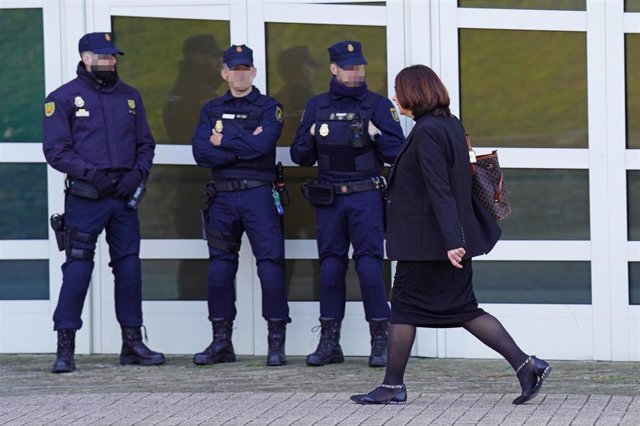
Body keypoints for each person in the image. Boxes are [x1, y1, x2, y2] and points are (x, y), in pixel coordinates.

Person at [350, 65, 551, 405]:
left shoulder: (428, 131)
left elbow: (440, 189)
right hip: (437, 241)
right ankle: (525, 365)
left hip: (430, 244)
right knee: (454, 310)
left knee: (413, 309)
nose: (395, 97)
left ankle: (393, 386)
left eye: (399, 91)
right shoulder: (449, 124)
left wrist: (452, 240)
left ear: (415, 93)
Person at [42, 32, 164, 373]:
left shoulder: (130, 97)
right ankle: (65, 346)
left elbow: (146, 144)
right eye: (103, 57)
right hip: (87, 198)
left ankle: (132, 343)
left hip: (123, 199)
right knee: (78, 269)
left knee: (129, 268)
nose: (110, 62)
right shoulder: (64, 98)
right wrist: (92, 174)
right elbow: (55, 150)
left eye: (113, 57)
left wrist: (135, 175)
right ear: (85, 58)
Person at [290, 40, 405, 367]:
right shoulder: (317, 105)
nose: (356, 72)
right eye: (349, 67)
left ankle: (381, 341)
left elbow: (397, 153)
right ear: (334, 69)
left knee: (369, 266)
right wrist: (311, 134)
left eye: (360, 66)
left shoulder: (378, 105)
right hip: (329, 199)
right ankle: (329, 342)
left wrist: (376, 134)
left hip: (365, 196)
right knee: (329, 267)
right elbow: (300, 156)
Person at [191, 44, 290, 367]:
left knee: (270, 266)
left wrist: (225, 140)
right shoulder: (211, 108)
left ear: (254, 72)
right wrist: (245, 143)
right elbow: (202, 153)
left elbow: (265, 145)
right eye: (234, 68)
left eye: (245, 68)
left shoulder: (269, 106)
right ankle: (221, 342)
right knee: (220, 268)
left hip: (258, 195)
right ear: (224, 73)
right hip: (222, 197)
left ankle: (276, 343)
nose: (240, 73)